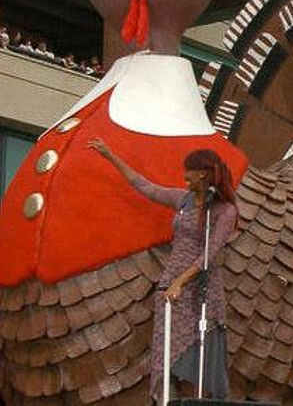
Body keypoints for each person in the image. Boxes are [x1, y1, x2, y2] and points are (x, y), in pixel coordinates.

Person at [88, 137, 237, 401]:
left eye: (188, 171)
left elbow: (209, 254)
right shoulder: (183, 200)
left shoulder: (225, 210)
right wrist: (109, 155)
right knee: (164, 358)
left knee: (197, 362)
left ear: (202, 173)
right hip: (170, 291)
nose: (185, 177)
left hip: (200, 294)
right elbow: (145, 186)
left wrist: (181, 281)